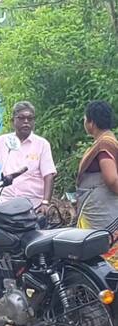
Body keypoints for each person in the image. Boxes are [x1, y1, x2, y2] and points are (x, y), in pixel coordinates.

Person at [77, 101, 118, 267]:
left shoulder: (105, 144)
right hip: (100, 208)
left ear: (91, 122)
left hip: (101, 212)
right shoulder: (108, 141)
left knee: (99, 255)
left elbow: (112, 180)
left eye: (85, 118)